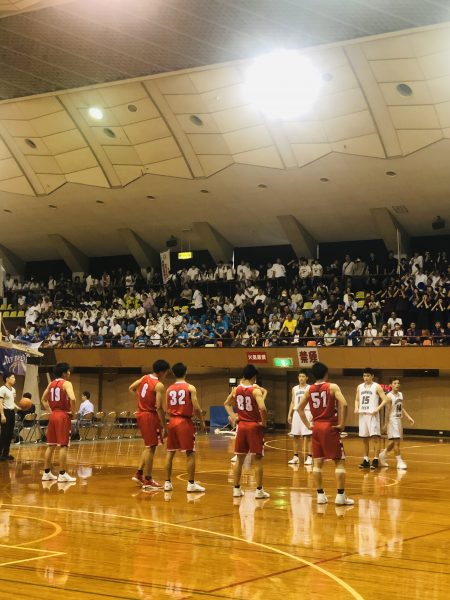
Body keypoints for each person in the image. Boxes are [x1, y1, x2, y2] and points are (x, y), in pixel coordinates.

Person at [298, 361, 353, 506]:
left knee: (317, 462)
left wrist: (308, 425)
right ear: (326, 373)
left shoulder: (309, 390)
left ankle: (320, 496)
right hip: (329, 426)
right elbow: (344, 404)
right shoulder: (332, 387)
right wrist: (342, 424)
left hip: (316, 427)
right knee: (339, 461)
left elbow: (299, 409)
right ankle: (340, 496)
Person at [224, 364, 270, 499]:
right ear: (254, 377)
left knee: (239, 459)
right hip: (253, 426)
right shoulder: (255, 391)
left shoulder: (236, 389)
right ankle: (259, 491)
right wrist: (264, 422)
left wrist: (233, 417)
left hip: (242, 426)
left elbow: (226, 403)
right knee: (258, 459)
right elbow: (263, 408)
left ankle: (236, 489)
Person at [163, 363, 206, 493]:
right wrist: (202, 421)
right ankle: (191, 484)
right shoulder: (190, 387)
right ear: (186, 372)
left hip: (172, 421)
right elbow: (196, 407)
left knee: (170, 452)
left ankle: (167, 483)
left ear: (173, 373)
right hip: (184, 422)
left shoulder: (169, 389)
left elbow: (167, 407)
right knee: (190, 453)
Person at [129, 359, 170, 489]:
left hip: (141, 413)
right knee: (151, 447)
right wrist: (165, 426)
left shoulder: (145, 377)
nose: (166, 375)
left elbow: (131, 388)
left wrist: (141, 399)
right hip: (149, 415)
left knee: (148, 446)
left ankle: (139, 473)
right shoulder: (158, 385)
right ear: (162, 372)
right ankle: (148, 479)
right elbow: (159, 408)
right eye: (166, 372)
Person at [41, 362, 77, 483]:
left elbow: (43, 399)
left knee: (50, 445)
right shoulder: (66, 383)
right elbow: (73, 398)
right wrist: (73, 412)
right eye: (68, 371)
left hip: (53, 416)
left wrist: (50, 411)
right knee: (63, 445)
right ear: (64, 373)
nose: (69, 373)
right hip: (62, 415)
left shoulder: (51, 383)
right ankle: (62, 474)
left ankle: (46, 473)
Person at [355, 368, 389, 469]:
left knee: (375, 438)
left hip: (372, 415)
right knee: (364, 438)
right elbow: (357, 399)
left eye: (368, 376)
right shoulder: (360, 387)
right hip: (362, 415)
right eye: (364, 376)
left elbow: (385, 399)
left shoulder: (376, 386)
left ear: (372, 376)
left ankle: (375, 459)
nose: (365, 378)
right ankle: (366, 459)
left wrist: (377, 409)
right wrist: (356, 407)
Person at [379, 378, 414, 470]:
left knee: (393, 442)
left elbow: (401, 408)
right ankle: (399, 462)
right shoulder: (389, 396)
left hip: (398, 420)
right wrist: (386, 424)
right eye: (395, 383)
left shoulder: (400, 394)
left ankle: (382, 454)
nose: (397, 384)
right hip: (392, 420)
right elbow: (387, 411)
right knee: (397, 442)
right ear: (390, 385)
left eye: (398, 383)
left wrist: (408, 417)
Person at [287, 370, 312, 466]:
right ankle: (295, 457)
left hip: (307, 412)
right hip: (297, 413)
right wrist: (290, 414)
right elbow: (293, 402)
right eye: (300, 376)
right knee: (295, 436)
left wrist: (313, 413)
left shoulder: (310, 388)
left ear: (307, 378)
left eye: (303, 376)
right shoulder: (294, 388)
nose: (301, 378)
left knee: (308, 436)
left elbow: (312, 401)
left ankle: (310, 457)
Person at [0, 372, 18, 461]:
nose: (14, 379)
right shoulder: (2, 389)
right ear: (7, 379)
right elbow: (0, 403)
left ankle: (6, 454)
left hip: (11, 413)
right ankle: (0, 453)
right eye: (13, 377)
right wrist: (2, 415)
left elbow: (12, 402)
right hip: (5, 412)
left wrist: (17, 407)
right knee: (4, 434)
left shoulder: (13, 390)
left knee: (10, 434)